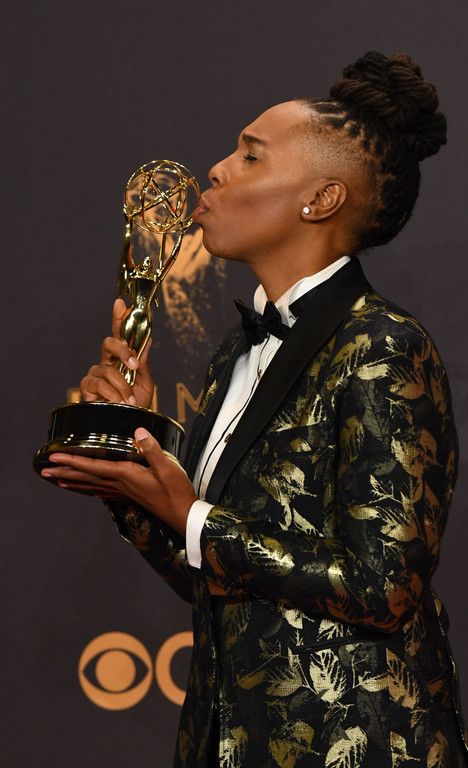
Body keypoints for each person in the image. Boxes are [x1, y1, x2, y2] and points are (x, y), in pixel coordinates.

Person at [42, 50, 468, 767]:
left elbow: (384, 587)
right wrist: (134, 473)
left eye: (249, 155)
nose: (217, 170)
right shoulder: (233, 354)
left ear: (320, 200)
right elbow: (218, 580)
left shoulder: (385, 345)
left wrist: (192, 514)